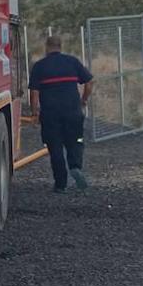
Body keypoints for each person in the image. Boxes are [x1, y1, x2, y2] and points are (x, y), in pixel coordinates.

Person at [29, 36, 94, 193]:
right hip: (73, 112)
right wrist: (83, 100)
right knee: (76, 141)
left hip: (51, 115)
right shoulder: (72, 61)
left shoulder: (39, 66)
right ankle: (75, 167)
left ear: (47, 47)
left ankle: (60, 184)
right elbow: (90, 82)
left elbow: (34, 93)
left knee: (55, 147)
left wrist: (34, 112)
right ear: (60, 46)